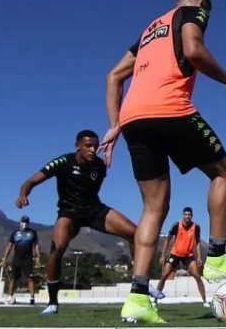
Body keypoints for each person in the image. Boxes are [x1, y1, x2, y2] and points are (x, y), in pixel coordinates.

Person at [103, 0, 226, 324]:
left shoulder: (148, 33)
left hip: (133, 120)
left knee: (152, 208)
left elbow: (113, 76)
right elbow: (194, 49)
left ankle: (138, 298)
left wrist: (114, 126)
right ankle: (216, 255)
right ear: (202, 6)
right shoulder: (191, 13)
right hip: (169, 110)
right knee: (223, 171)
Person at [16, 130, 137, 316]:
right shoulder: (62, 162)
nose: (93, 149)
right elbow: (30, 181)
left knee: (135, 233)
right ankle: (53, 302)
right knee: (58, 248)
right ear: (77, 146)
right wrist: (23, 195)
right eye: (88, 145)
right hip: (69, 212)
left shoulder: (100, 166)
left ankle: (139, 285)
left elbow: (90, 191)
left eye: (95, 146)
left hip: (94, 209)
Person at [155, 207, 209, 307]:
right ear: (183, 215)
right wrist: (163, 255)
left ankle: (205, 301)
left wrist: (199, 257)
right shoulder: (176, 225)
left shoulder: (196, 227)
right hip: (175, 254)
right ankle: (155, 300)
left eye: (189, 215)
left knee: (197, 276)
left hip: (188, 255)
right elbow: (167, 240)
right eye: (186, 214)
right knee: (164, 275)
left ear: (192, 216)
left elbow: (197, 243)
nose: (187, 216)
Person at [2, 216, 40, 305]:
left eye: (26, 222)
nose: (24, 223)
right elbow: (9, 246)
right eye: (23, 222)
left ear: (28, 223)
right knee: (13, 279)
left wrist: (38, 256)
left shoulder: (32, 232)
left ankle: (32, 298)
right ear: (20, 222)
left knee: (30, 278)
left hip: (28, 260)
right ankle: (9, 296)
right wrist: (4, 258)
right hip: (17, 259)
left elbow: (36, 245)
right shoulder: (15, 233)